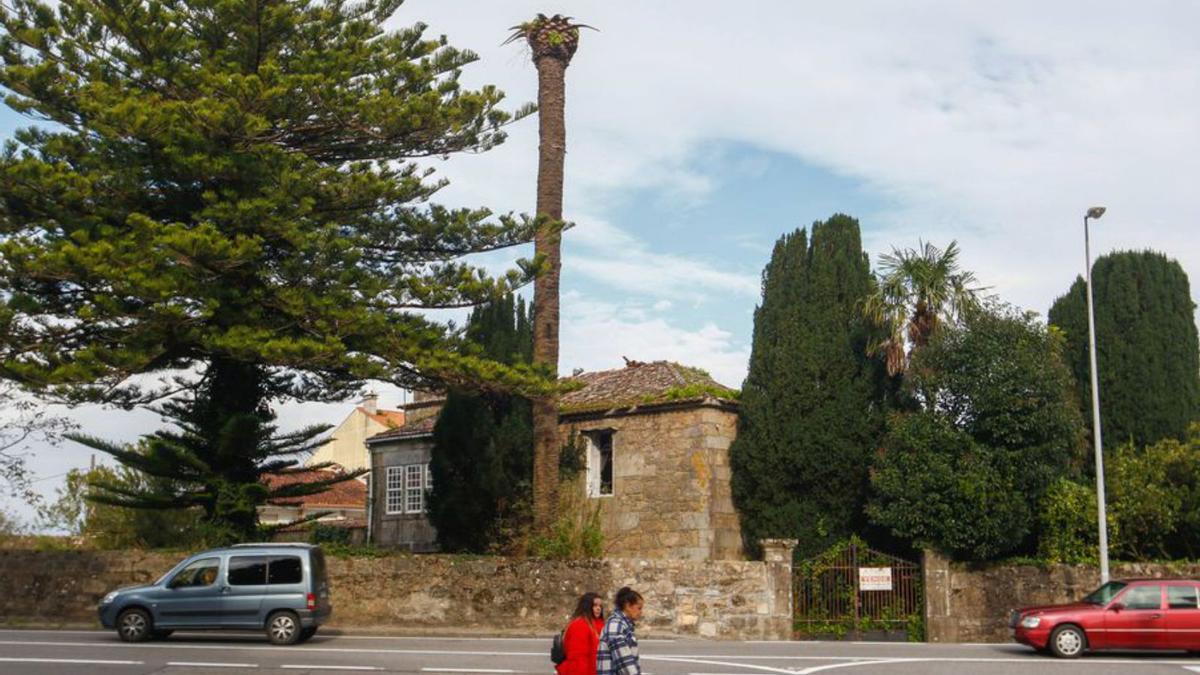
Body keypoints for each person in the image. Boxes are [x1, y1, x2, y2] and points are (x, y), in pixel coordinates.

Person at [596, 587, 643, 675]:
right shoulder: (616, 626)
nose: (641, 612)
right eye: (639, 608)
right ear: (628, 606)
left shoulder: (623, 624)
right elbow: (625, 663)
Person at [556, 592, 605, 675]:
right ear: (587, 606)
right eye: (595, 605)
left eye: (600, 606)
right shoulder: (580, 625)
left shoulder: (599, 624)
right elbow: (578, 660)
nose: (598, 608)